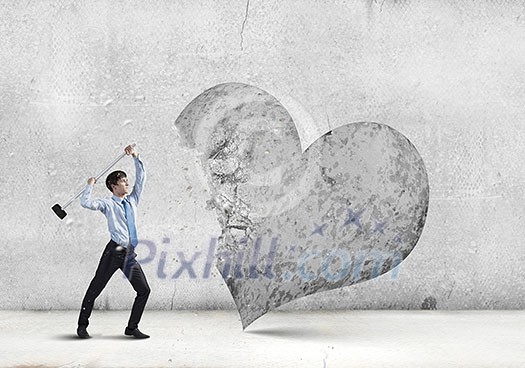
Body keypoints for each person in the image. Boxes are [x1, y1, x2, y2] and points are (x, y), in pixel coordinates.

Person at [76, 144, 151, 339]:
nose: (127, 184)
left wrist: (136, 156)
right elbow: (86, 203)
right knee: (95, 289)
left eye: (127, 181)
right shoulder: (107, 204)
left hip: (129, 254)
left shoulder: (133, 200)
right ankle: (82, 326)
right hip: (114, 252)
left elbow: (142, 178)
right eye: (123, 182)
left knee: (144, 290)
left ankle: (131, 328)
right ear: (113, 186)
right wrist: (89, 185)